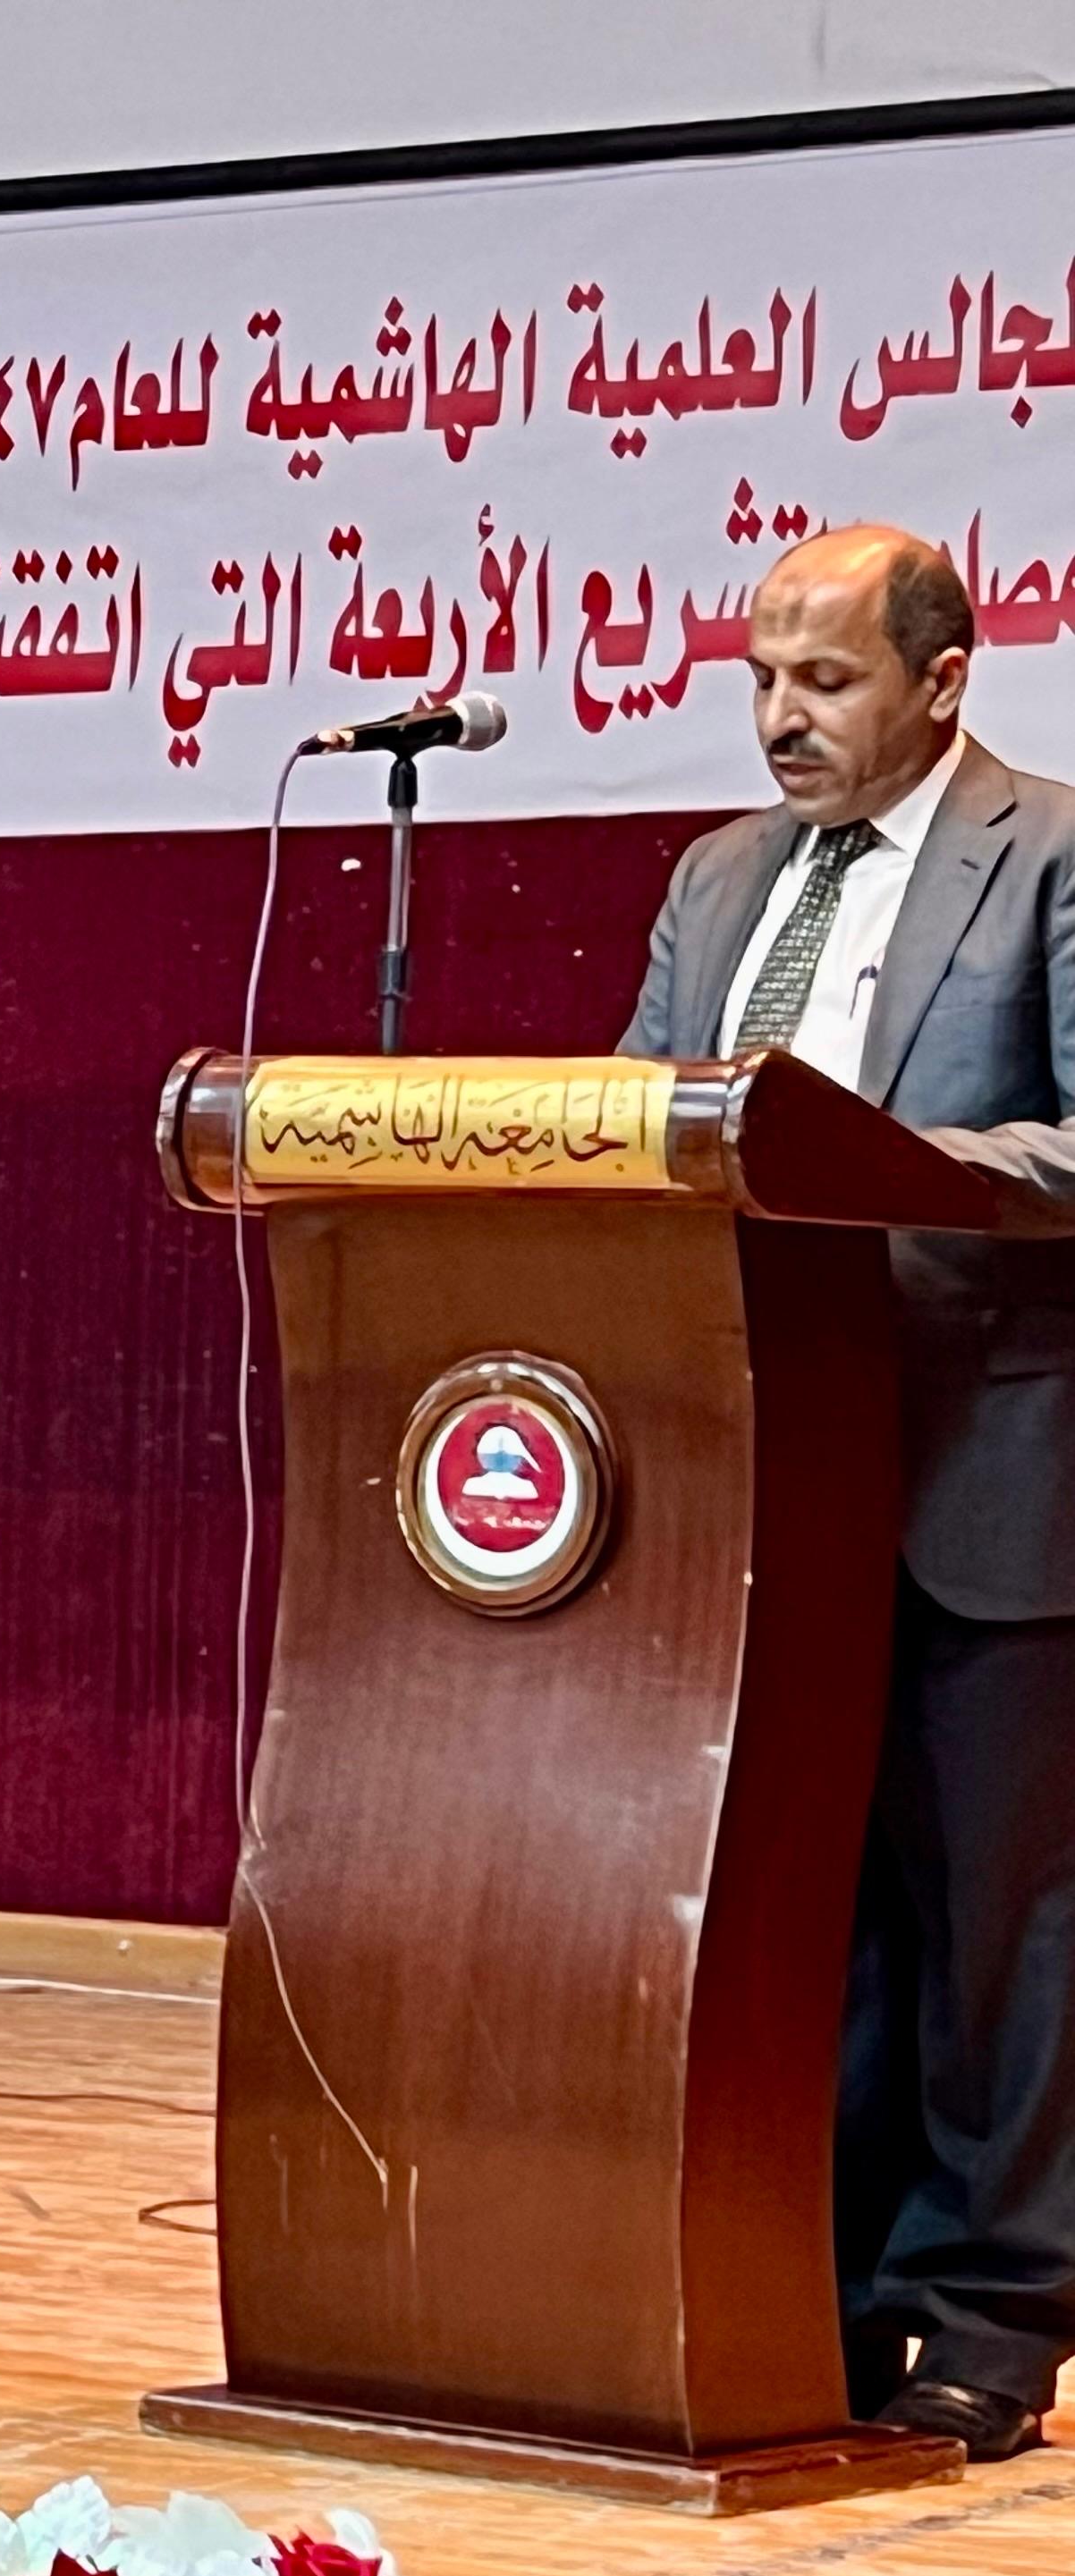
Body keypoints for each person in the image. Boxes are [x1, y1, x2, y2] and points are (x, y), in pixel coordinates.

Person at [621, 522, 1075, 2460]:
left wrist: (863, 1165)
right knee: (817, 1915)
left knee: (995, 1929)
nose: (779, 718)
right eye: (760, 679)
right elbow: (635, 1122)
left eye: (824, 679)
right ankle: (806, 2297)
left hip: (986, 1466)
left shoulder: (1049, 855)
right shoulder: (718, 878)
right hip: (761, 1485)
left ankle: (990, 2316)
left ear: (942, 680)